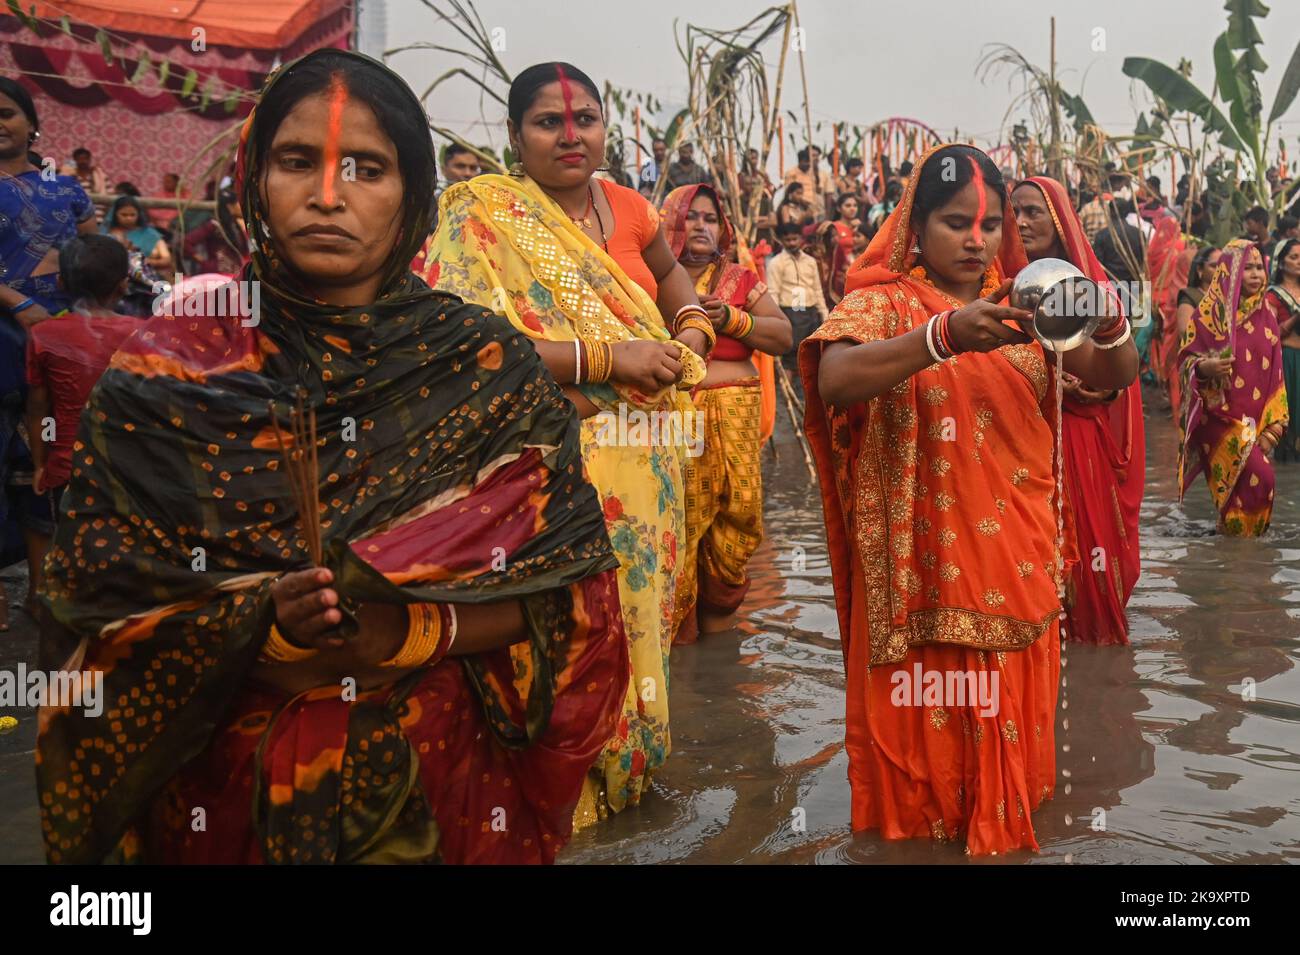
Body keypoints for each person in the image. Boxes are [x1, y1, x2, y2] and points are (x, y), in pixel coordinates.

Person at [35, 48, 628, 865]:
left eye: (366, 168)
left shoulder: (483, 367)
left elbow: (574, 601)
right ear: (253, 182)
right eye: (295, 161)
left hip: (442, 787)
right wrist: (260, 626)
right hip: (224, 802)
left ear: (412, 194)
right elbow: (86, 622)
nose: (325, 195)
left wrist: (409, 631)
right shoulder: (161, 380)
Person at [801, 143, 1137, 855]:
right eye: (957, 222)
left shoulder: (1028, 302)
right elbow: (834, 376)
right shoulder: (882, 301)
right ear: (914, 228)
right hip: (919, 574)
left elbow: (1115, 372)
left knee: (1014, 753)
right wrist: (942, 335)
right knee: (920, 797)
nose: (976, 238)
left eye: (988, 225)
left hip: (1014, 561)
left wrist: (1108, 321)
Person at [418, 61, 712, 827]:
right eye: (549, 122)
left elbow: (676, 282)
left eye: (585, 121)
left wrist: (691, 330)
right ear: (516, 137)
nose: (571, 136)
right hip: (545, 454)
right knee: (558, 623)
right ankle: (555, 800)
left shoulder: (628, 208)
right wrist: (612, 360)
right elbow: (470, 342)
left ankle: (629, 782)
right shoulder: (479, 211)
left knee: (637, 614)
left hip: (645, 454)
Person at [1013, 176, 1144, 646]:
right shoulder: (999, 280)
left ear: (1060, 220)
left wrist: (1096, 390)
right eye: (1015, 213)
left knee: (1085, 546)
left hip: (1078, 432)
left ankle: (1090, 642)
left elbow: (1122, 372)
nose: (1022, 222)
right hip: (1020, 429)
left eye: (1033, 211)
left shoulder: (1090, 284)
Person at [660, 183, 790, 642]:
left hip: (735, 415)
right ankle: (679, 644)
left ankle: (719, 644)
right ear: (670, 221)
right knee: (678, 522)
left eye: (710, 218)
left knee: (740, 518)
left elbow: (781, 336)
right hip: (676, 417)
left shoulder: (738, 280)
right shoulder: (650, 276)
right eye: (691, 216)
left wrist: (734, 320)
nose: (701, 225)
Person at [0, 78, 98, 630]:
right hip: (5, 336)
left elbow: (91, 250)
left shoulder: (64, 186)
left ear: (32, 122)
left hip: (58, 338)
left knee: (43, 462)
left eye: (7, 113)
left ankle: (41, 589)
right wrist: (16, 304)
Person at [24, 235, 139, 599]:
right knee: (125, 544)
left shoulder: (43, 335)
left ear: (60, 282)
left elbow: (39, 412)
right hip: (131, 465)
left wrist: (41, 464)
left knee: (72, 544)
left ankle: (64, 612)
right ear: (124, 283)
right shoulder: (143, 334)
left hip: (68, 463)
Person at [1178, 240, 1288, 536]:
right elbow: (1185, 361)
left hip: (1253, 421)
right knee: (1261, 475)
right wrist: (1205, 367)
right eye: (1247, 268)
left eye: (1259, 268)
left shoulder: (1268, 318)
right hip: (1217, 420)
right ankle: (1240, 557)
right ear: (1230, 272)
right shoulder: (1209, 316)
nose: (1255, 275)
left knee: (1255, 487)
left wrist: (1272, 429)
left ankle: (1239, 561)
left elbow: (1275, 377)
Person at [767, 220, 828, 394]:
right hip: (789, 313)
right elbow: (773, 293)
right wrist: (776, 318)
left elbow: (817, 289)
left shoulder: (810, 262)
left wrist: (824, 314)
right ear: (781, 240)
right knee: (789, 356)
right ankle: (788, 393)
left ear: (801, 238)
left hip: (810, 313)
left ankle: (808, 392)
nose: (792, 243)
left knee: (810, 355)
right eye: (788, 240)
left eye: (795, 239)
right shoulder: (776, 263)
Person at [1266, 237, 1300, 462]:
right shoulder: (1272, 295)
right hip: (1288, 361)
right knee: (1291, 419)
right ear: (1281, 262)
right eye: (1294, 257)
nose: (1299, 262)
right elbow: (1271, 335)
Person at [103, 194, 172, 271]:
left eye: (132, 215)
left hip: (149, 276)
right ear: (115, 214)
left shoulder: (150, 234)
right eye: (124, 215)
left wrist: (150, 262)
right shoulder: (107, 234)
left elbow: (167, 259)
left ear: (138, 215)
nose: (129, 218)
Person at [59, 145, 109, 222]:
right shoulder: (69, 175)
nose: (83, 161)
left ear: (90, 159)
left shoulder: (100, 175)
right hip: (76, 217)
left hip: (99, 217)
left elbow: (109, 197)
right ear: (74, 160)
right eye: (80, 159)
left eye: (85, 159)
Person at [784, 146, 825, 217]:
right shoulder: (791, 173)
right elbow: (789, 193)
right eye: (806, 162)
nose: (808, 164)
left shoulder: (813, 172)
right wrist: (805, 203)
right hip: (799, 207)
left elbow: (818, 190)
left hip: (814, 207)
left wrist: (816, 174)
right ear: (800, 161)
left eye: (809, 162)